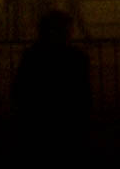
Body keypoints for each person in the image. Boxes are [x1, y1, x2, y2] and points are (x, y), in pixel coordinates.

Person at [13, 10, 92, 160]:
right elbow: (83, 94)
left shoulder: (32, 56)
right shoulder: (76, 58)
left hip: (37, 125)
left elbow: (19, 90)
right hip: (68, 125)